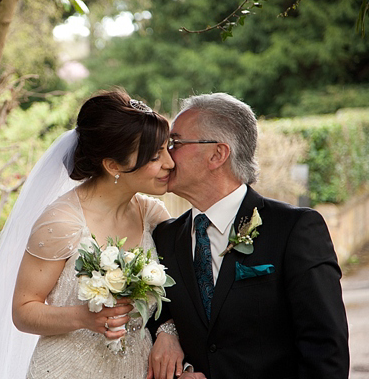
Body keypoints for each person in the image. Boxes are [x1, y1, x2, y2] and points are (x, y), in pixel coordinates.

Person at [0, 89, 197, 379]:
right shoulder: (61, 223)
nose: (169, 163)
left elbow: (176, 295)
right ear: (113, 165)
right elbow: (23, 310)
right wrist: (83, 317)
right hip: (69, 369)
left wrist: (168, 332)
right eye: (155, 157)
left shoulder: (153, 215)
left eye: (167, 150)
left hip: (138, 368)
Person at [148, 93, 350, 379]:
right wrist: (165, 332)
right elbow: (154, 314)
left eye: (175, 143)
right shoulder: (164, 238)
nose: (166, 156)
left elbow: (325, 352)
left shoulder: (294, 229)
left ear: (217, 154)